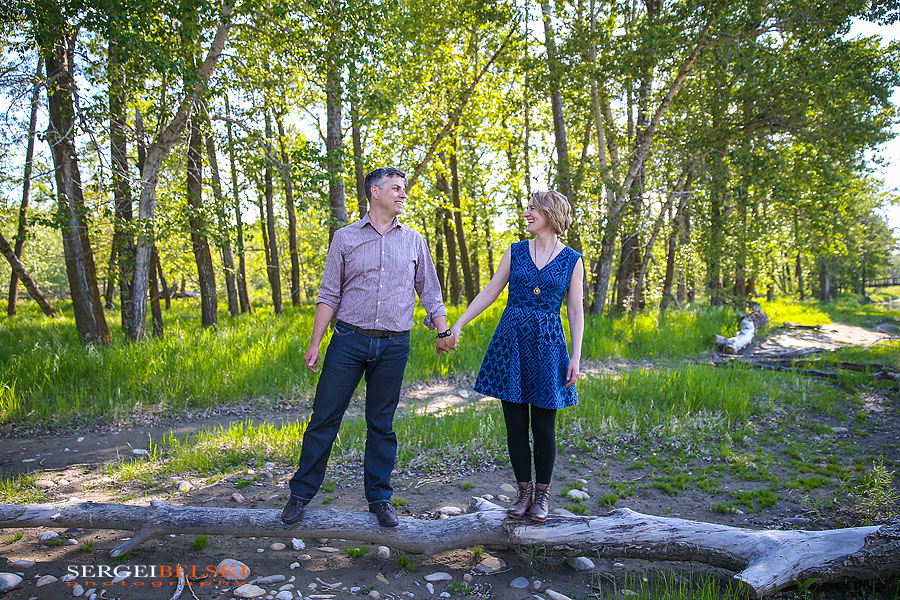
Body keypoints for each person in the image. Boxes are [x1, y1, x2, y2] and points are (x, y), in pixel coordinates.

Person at [282, 167, 457, 528]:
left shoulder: (414, 241)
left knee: (382, 424)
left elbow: (430, 291)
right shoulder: (345, 238)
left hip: (394, 345)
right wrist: (316, 342)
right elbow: (329, 294)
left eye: (404, 189)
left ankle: (380, 498)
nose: (403, 194)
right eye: (396, 188)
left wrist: (443, 331)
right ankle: (300, 495)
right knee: (324, 418)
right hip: (348, 341)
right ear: (374, 192)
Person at [450, 190, 584, 522]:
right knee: (514, 426)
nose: (526, 213)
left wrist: (576, 357)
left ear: (550, 214)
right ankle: (523, 493)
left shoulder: (572, 260)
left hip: (549, 346)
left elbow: (576, 310)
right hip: (512, 342)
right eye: (526, 208)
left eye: (532, 209)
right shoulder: (515, 251)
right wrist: (459, 324)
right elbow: (491, 290)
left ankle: (542, 496)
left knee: (544, 426)